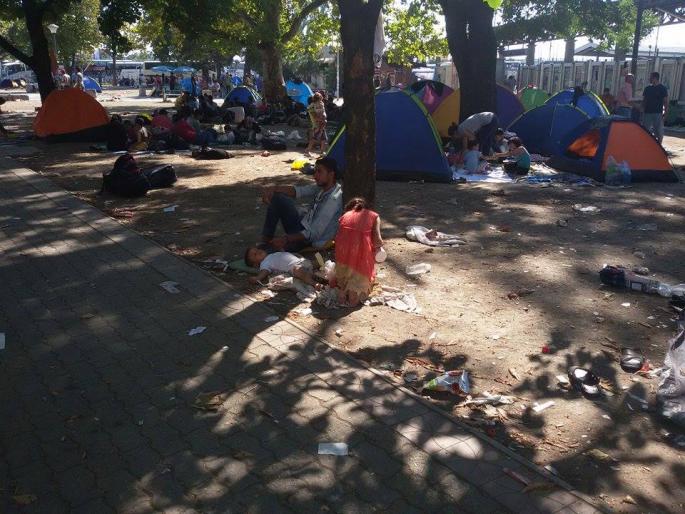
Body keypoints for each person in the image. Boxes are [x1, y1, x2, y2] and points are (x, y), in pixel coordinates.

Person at [260, 156, 342, 252]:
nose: (315, 176)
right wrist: (273, 189)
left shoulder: (334, 198)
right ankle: (266, 240)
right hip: (303, 225)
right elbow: (299, 191)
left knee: (271, 252)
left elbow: (313, 233)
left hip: (309, 240)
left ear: (331, 174)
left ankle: (270, 246)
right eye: (315, 171)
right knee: (278, 197)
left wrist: (286, 239)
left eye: (319, 172)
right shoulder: (323, 187)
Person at [333, 197, 383, 307]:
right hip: (361, 257)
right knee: (357, 296)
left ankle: (342, 290)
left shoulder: (344, 216)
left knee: (344, 278)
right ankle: (353, 294)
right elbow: (377, 240)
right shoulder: (374, 216)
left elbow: (338, 237)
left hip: (342, 256)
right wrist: (379, 248)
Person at [244, 248, 319, 287]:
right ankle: (314, 283)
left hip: (301, 261)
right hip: (294, 267)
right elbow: (264, 271)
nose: (258, 252)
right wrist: (257, 278)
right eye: (255, 254)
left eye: (257, 249)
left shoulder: (271, 255)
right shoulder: (264, 263)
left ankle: (322, 270)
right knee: (300, 271)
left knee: (318, 261)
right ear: (255, 265)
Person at [642, 71, 668, 144]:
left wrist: (665, 113)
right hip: (647, 113)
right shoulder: (647, 88)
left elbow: (665, 102)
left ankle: (659, 145)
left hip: (658, 113)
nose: (649, 79)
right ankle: (644, 144)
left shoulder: (662, 88)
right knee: (645, 130)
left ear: (655, 78)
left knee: (659, 131)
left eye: (650, 77)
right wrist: (642, 109)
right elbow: (644, 100)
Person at [305, 92, 327, 156]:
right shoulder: (311, 109)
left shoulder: (318, 106)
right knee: (315, 139)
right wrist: (323, 120)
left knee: (323, 139)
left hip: (321, 124)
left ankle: (322, 152)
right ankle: (307, 151)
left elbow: (323, 113)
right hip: (317, 125)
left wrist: (324, 118)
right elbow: (315, 118)